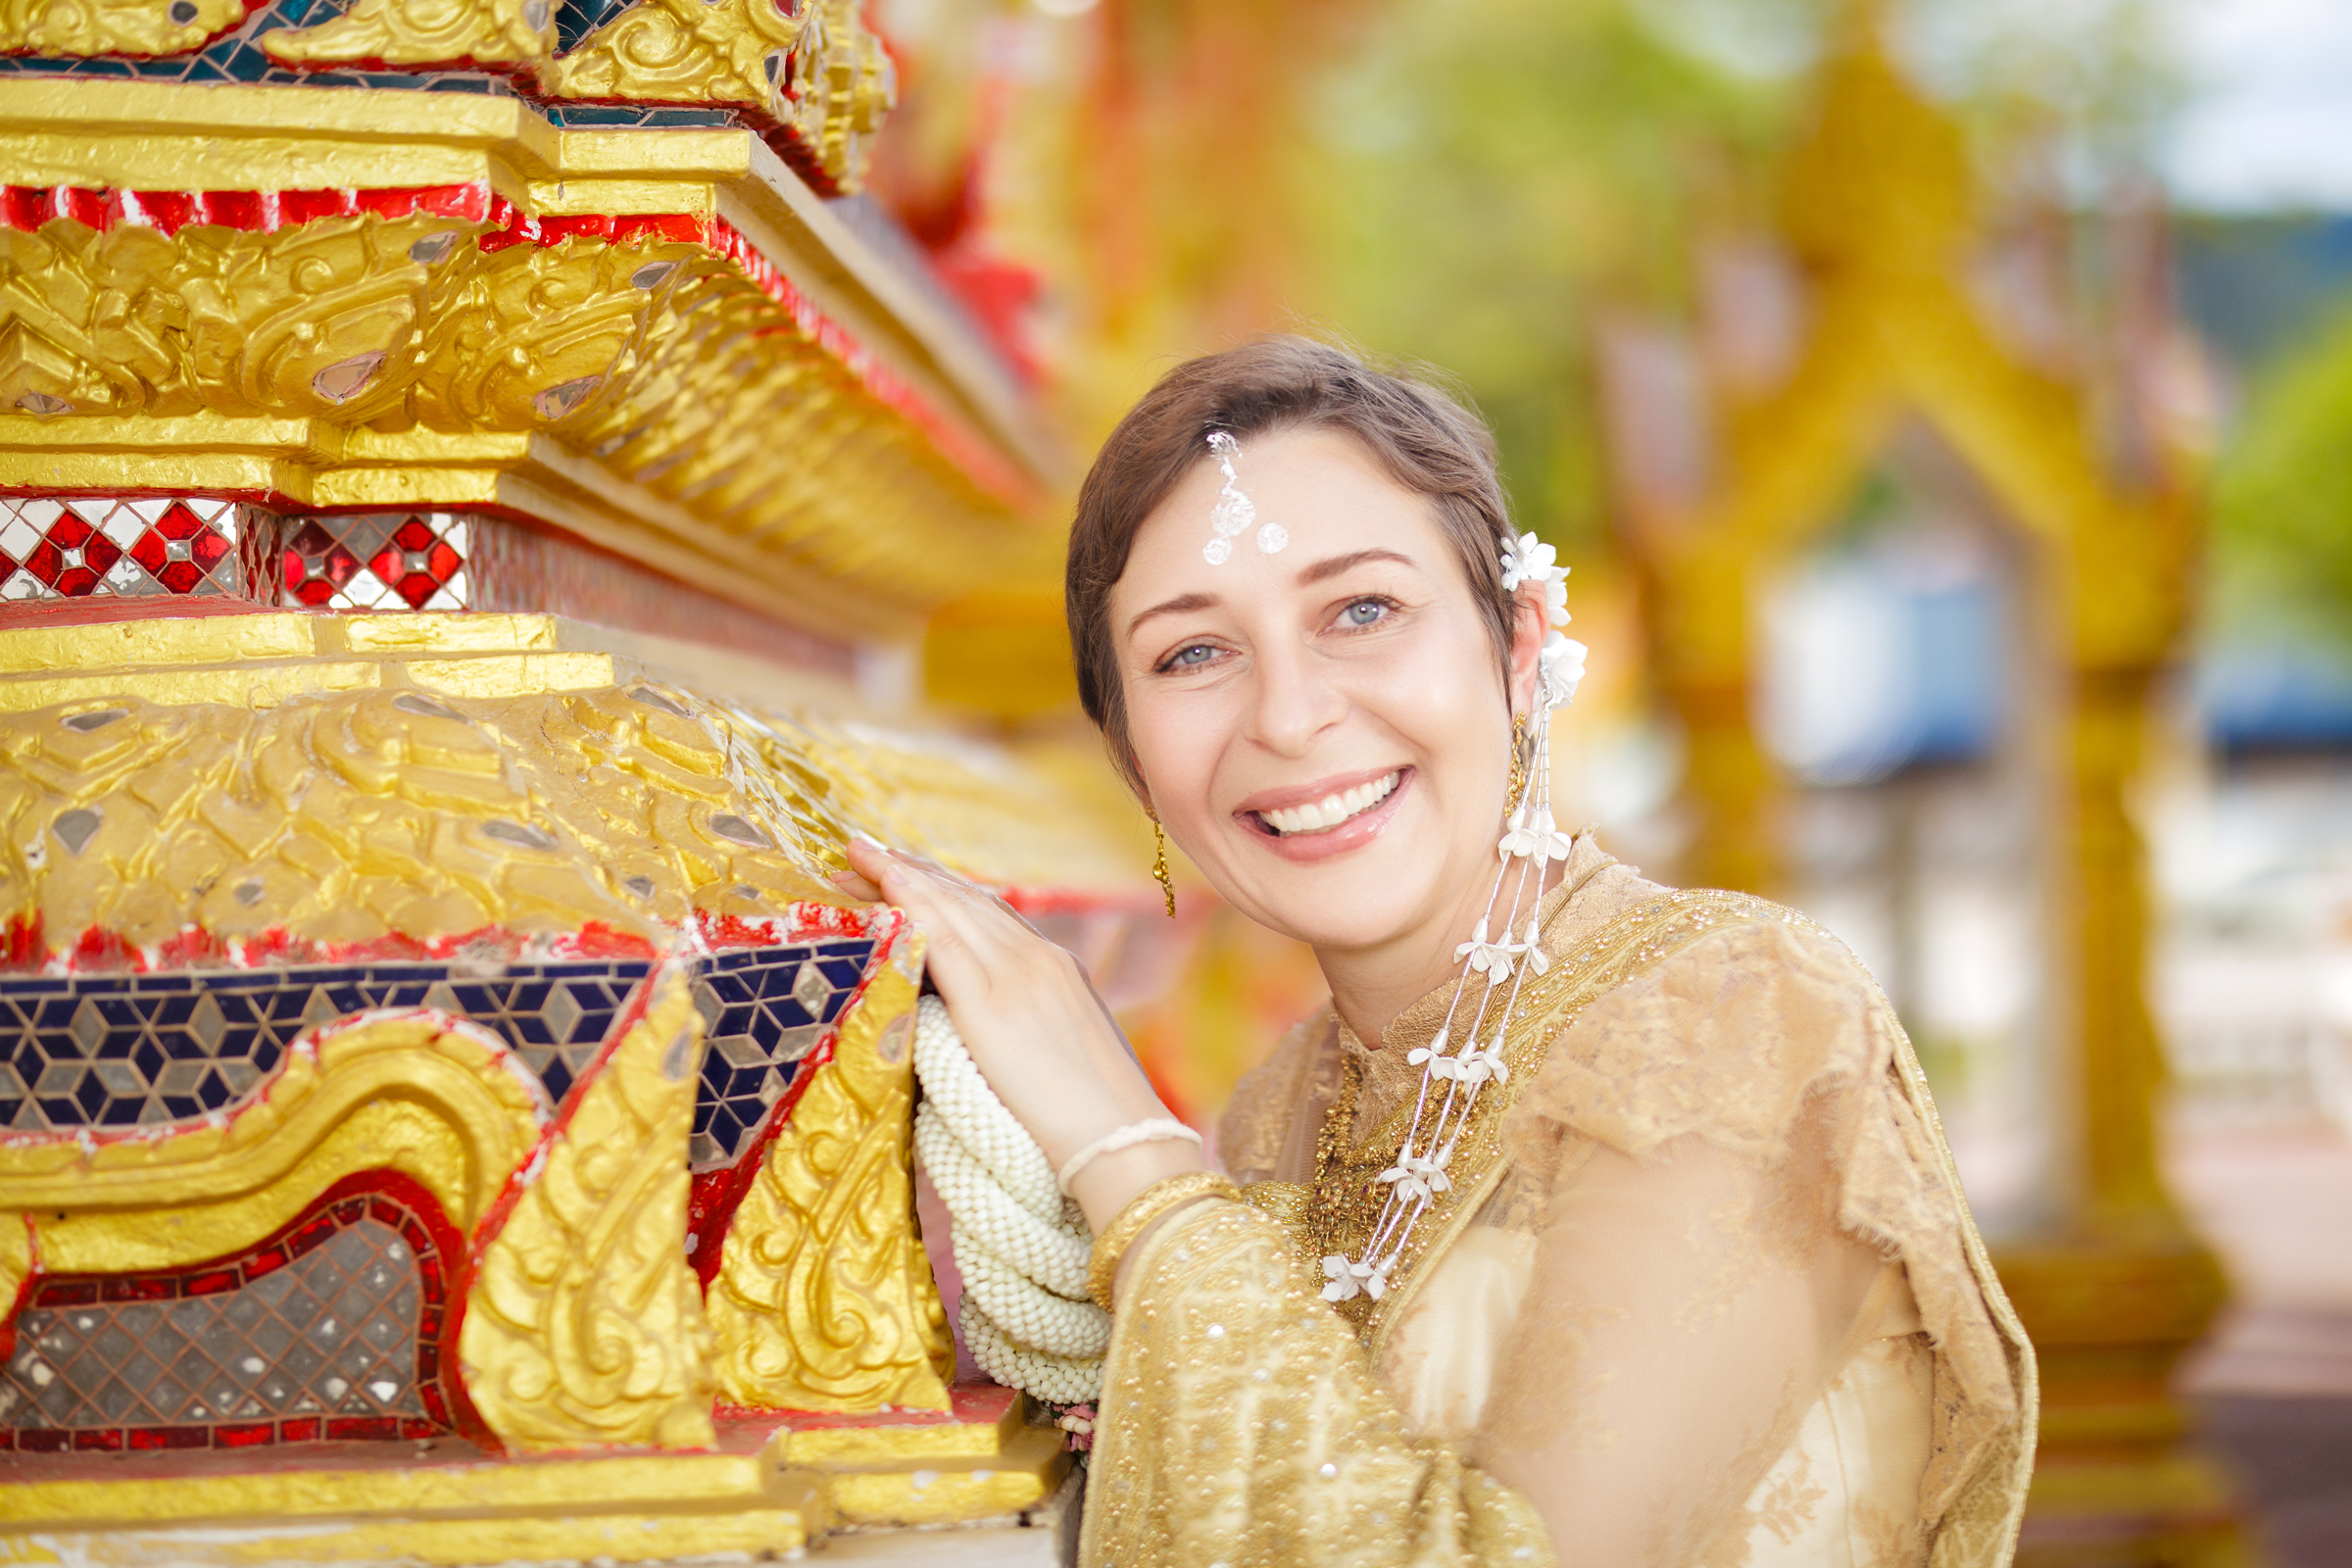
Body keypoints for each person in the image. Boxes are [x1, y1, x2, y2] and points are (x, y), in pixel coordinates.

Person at [838, 337, 2034, 1568]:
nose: (1290, 715)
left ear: (1518, 644)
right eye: (1193, 652)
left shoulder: (1735, 1015)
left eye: (1363, 610)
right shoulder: (1281, 1112)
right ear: (1133, 753)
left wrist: (1124, 1151)